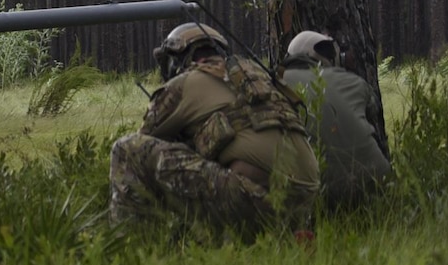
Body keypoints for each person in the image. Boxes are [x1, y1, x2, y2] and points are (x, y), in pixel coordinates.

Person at [109, 22, 320, 238]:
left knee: (126, 150)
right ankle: (277, 234)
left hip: (253, 200)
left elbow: (143, 144)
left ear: (181, 59)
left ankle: (130, 243)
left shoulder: (185, 82)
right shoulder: (261, 81)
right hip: (302, 208)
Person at [282, 29, 391, 210]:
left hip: (314, 192)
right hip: (377, 186)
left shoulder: (278, 82)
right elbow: (372, 109)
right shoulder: (354, 82)